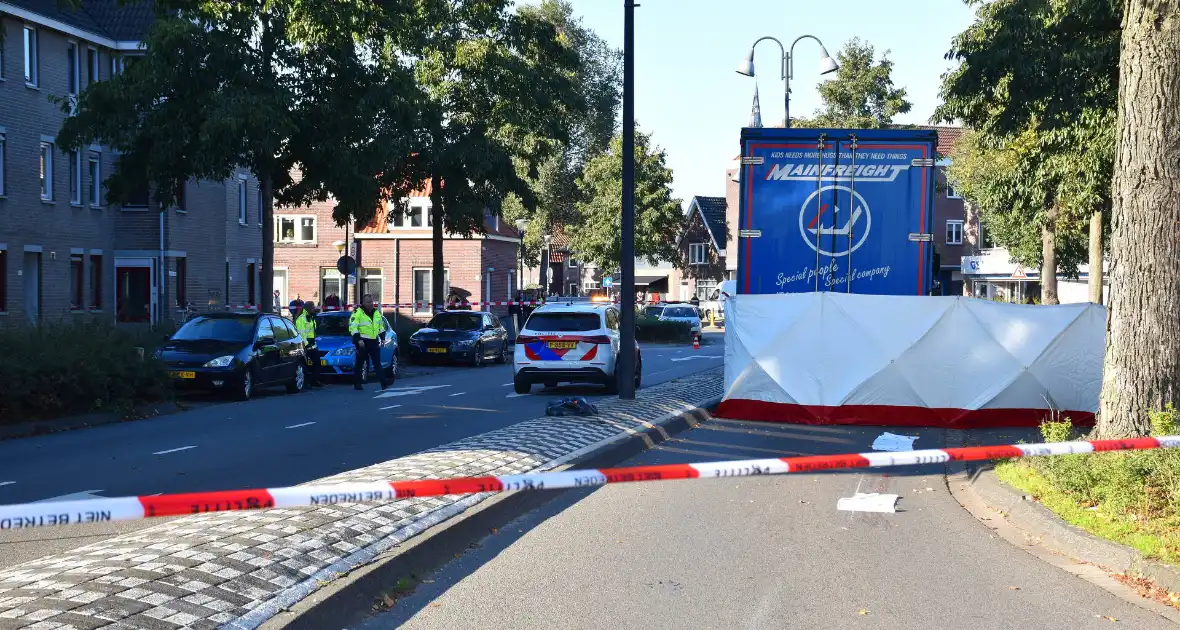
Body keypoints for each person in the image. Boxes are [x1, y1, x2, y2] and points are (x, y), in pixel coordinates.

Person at [349, 294, 391, 391]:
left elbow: (380, 326)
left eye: (371, 301)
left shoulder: (376, 313)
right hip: (362, 342)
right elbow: (353, 327)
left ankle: (384, 383)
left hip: (373, 341)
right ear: (363, 303)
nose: (370, 304)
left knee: (377, 363)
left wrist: (382, 337)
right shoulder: (357, 313)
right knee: (360, 363)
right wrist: (358, 339)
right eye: (368, 302)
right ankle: (357, 383)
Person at [296, 301, 324, 388]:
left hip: (312, 344)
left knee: (317, 362)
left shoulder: (310, 317)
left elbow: (312, 332)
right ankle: (306, 382)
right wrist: (307, 344)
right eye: (312, 308)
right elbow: (301, 333)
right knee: (305, 365)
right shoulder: (301, 319)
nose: (314, 309)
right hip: (305, 345)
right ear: (308, 308)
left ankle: (314, 381)